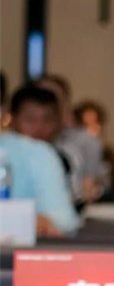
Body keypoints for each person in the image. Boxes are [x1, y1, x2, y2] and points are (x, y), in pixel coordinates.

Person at [1, 86, 80, 236]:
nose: (40, 127)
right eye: (30, 119)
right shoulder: (39, 153)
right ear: (12, 118)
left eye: (47, 120)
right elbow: (64, 222)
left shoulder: (62, 154)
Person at [35, 74, 105, 205]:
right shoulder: (17, 144)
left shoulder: (86, 143)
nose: (44, 106)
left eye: (52, 100)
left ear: (65, 105)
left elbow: (88, 191)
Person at [73, 100, 114, 200]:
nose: (92, 129)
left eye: (95, 123)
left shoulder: (113, 157)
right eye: (86, 126)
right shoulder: (71, 156)